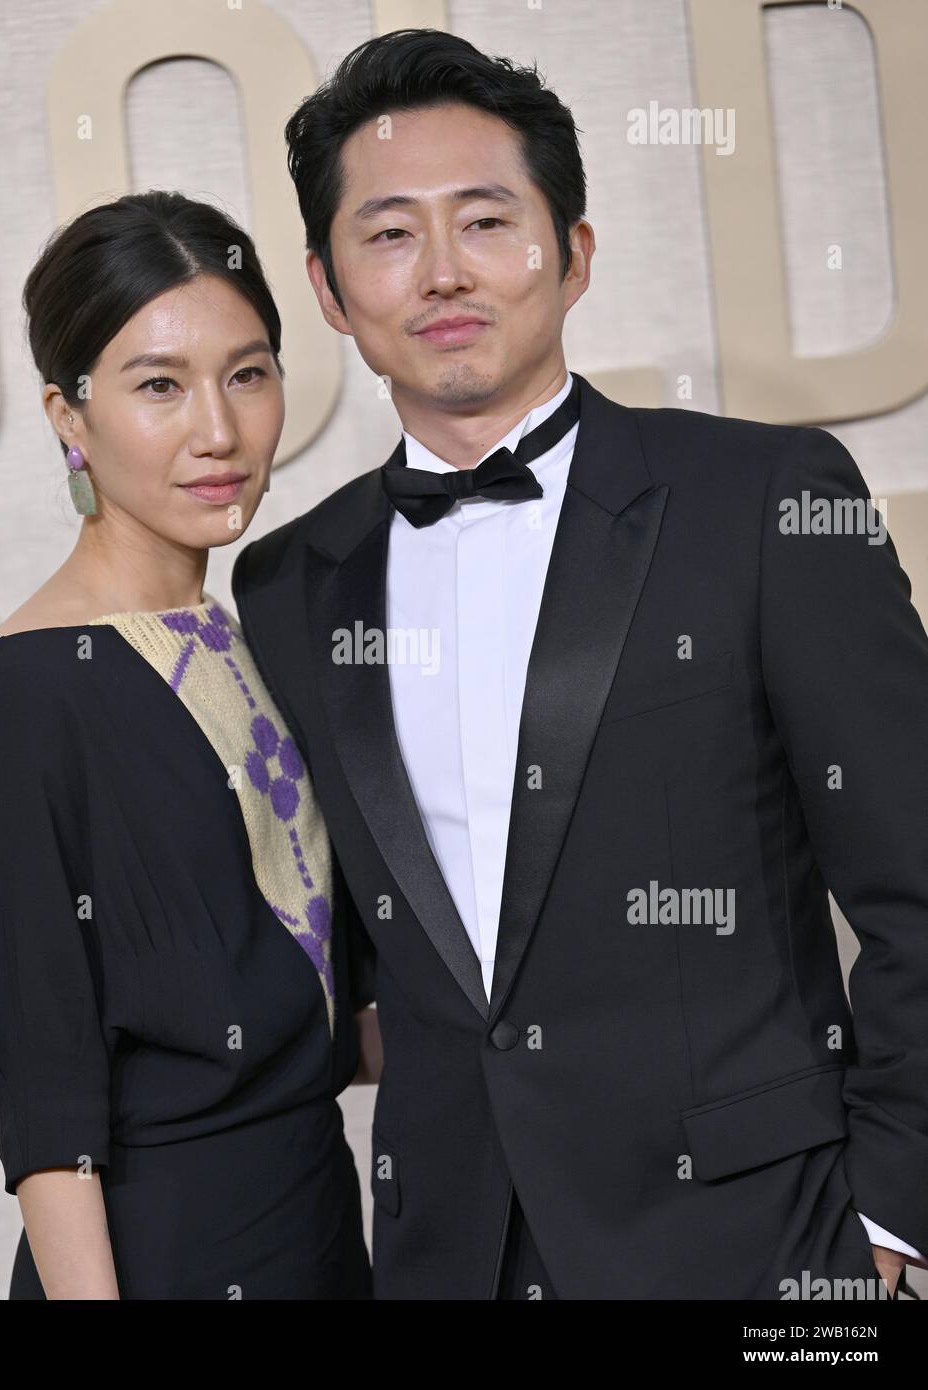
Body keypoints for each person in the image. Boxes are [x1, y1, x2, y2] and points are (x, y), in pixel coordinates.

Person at [232, 29, 928, 1299]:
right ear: (331, 294)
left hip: (761, 1247)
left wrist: (891, 1214)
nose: (442, 271)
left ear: (573, 253)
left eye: (486, 220)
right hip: (449, 1254)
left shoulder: (762, 499)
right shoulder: (285, 583)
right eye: (387, 234)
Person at [0, 190, 375, 1300]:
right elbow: (45, 1105)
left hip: (318, 1228)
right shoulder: (30, 689)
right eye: (158, 386)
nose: (218, 431)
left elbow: (326, 996)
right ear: (69, 415)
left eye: (248, 371)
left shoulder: (255, 637)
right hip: (160, 1252)